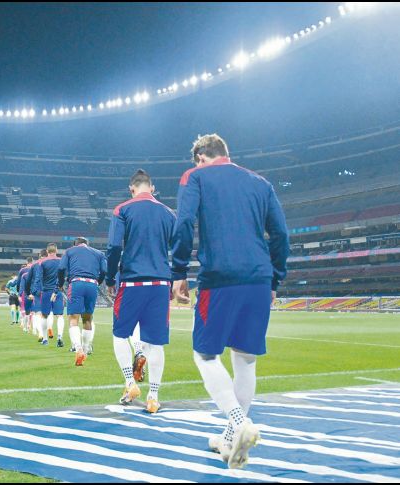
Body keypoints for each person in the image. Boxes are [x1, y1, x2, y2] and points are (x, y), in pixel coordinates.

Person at [171, 134, 289, 469]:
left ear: (201, 157)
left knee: (205, 355)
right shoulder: (260, 182)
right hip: (258, 277)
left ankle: (240, 424)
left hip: (220, 277)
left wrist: (178, 271)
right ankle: (228, 439)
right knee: (246, 359)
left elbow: (183, 224)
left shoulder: (194, 177)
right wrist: (275, 278)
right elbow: (280, 234)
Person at [106, 169, 175, 412]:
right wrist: (174, 281)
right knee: (155, 343)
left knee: (119, 334)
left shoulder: (122, 209)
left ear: (131, 189)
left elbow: (114, 246)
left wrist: (109, 277)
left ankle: (129, 381)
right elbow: (179, 249)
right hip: (160, 284)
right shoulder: (169, 213)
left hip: (132, 282)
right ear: (152, 188)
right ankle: (153, 397)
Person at [58, 237, 107, 366]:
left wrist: (60, 283)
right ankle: (85, 350)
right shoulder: (99, 253)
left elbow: (61, 268)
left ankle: (78, 348)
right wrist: (98, 281)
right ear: (87, 244)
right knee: (88, 318)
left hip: (76, 283)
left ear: (75, 244)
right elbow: (104, 271)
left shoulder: (70, 251)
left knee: (73, 318)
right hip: (92, 285)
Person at [32, 243, 66, 347]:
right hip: (58, 291)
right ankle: (60, 337)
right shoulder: (61, 261)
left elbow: (38, 278)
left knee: (44, 315)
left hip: (46, 291)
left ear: (47, 251)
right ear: (56, 250)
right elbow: (63, 277)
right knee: (59, 315)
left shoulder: (42, 262)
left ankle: (45, 339)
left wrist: (35, 291)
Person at [25, 249, 48, 340]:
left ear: (39, 255)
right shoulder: (50, 263)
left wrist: (28, 292)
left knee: (37, 313)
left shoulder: (34, 265)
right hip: (48, 289)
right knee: (47, 313)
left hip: (37, 291)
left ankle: (41, 333)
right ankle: (48, 330)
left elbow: (28, 280)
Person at [16, 257, 34, 333]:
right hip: (34, 292)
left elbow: (19, 282)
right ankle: (29, 325)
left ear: (26, 262)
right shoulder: (35, 269)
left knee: (25, 309)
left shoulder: (22, 271)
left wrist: (19, 293)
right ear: (32, 262)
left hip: (25, 292)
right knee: (32, 310)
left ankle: (24, 324)